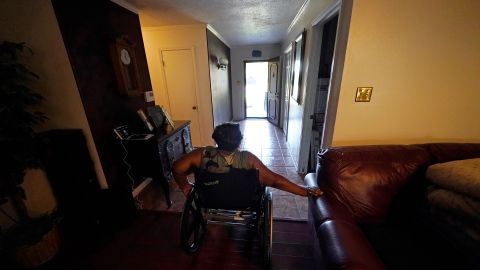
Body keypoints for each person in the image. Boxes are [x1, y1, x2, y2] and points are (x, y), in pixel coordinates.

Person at [172, 122, 323, 198]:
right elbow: (276, 181)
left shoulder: (200, 154)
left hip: (209, 198)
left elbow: (177, 168)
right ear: (239, 143)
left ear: (216, 140)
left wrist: (185, 186)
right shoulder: (247, 159)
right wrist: (306, 191)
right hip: (242, 201)